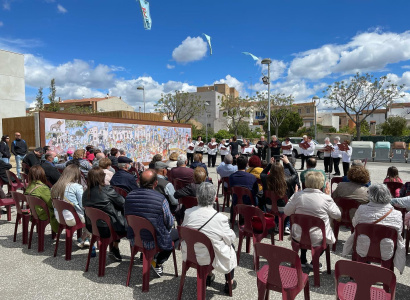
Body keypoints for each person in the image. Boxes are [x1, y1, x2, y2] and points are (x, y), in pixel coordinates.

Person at [182, 182, 237, 294]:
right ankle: (229, 282)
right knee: (231, 245)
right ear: (214, 198)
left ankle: (209, 275)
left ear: (197, 197)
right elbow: (230, 239)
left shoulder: (188, 212)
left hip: (191, 254)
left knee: (206, 242)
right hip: (210, 257)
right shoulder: (220, 218)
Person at [124, 169, 178, 277]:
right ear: (156, 183)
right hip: (154, 240)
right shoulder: (161, 199)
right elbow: (169, 221)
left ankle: (145, 255)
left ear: (139, 182)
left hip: (135, 238)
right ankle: (158, 261)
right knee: (177, 234)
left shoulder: (129, 196)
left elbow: (127, 216)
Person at [342, 183, 405, 274]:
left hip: (363, 247)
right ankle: (385, 278)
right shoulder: (397, 214)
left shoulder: (361, 209)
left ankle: (358, 273)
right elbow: (399, 231)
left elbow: (355, 224)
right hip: (387, 250)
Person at [284, 172, 341, 268]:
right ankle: (315, 260)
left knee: (304, 226)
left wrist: (293, 196)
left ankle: (302, 258)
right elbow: (337, 215)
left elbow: (287, 211)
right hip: (317, 237)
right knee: (322, 231)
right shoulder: (326, 198)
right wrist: (329, 197)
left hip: (298, 235)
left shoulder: (297, 196)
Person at [82, 167, 127, 261]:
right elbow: (123, 202)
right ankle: (115, 247)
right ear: (102, 178)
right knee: (122, 217)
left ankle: (115, 248)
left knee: (111, 214)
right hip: (108, 227)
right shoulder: (107, 190)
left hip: (92, 226)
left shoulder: (85, 193)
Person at [51, 165, 90, 247]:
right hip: (72, 218)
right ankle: (84, 237)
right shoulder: (76, 186)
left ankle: (85, 238)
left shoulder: (55, 186)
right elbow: (82, 205)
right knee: (92, 216)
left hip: (59, 216)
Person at [261, 156, 299, 233]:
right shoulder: (286, 180)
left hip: (269, 206)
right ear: (282, 171)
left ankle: (277, 224)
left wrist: (270, 164)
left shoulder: (266, 179)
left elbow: (262, 173)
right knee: (289, 204)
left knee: (277, 206)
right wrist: (288, 163)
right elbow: (295, 173)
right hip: (283, 208)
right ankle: (287, 225)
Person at [25, 165, 59, 233]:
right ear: (42, 174)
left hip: (32, 212)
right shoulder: (43, 188)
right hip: (42, 214)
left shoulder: (29, 186)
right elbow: (51, 204)